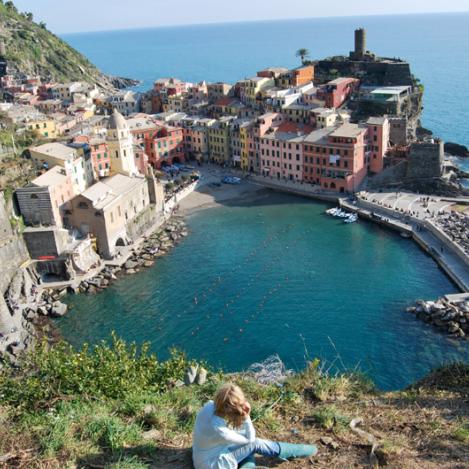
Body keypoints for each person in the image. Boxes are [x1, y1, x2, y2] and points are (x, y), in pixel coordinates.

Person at [192, 383, 317, 468]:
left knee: (242, 436)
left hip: (202, 454)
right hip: (212, 464)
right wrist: (247, 417)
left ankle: (248, 466)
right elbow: (250, 440)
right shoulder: (221, 431)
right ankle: (300, 450)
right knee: (254, 443)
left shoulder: (209, 405)